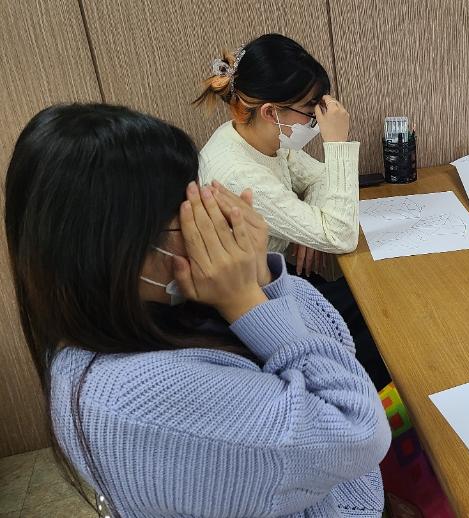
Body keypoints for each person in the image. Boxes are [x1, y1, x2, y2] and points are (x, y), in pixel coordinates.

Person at [5, 103, 390, 517]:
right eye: (185, 214)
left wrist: (259, 275)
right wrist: (246, 299)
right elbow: (359, 431)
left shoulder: (147, 309)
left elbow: (334, 337)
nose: (207, 223)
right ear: (112, 251)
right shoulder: (137, 399)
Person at [194, 33, 391, 388]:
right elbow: (340, 235)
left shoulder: (253, 135)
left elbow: (319, 179)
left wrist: (304, 225)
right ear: (271, 112)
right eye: (311, 111)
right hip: (258, 312)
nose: (317, 120)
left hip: (280, 283)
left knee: (377, 296)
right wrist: (336, 142)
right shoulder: (239, 174)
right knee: (380, 316)